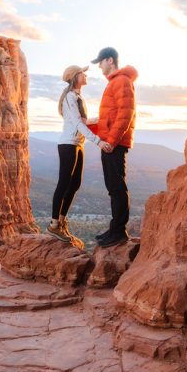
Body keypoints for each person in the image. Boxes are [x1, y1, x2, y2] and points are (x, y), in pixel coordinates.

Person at [47, 64, 112, 243]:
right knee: (64, 183)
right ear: (76, 77)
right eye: (83, 73)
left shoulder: (77, 97)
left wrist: (99, 120)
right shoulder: (70, 97)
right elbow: (77, 124)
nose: (86, 75)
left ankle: (61, 220)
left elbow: (81, 121)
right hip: (68, 144)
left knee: (74, 184)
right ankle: (53, 225)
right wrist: (98, 141)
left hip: (77, 144)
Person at [90, 46, 138, 247]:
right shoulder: (116, 82)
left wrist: (111, 141)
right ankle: (115, 228)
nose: (99, 67)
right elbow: (110, 116)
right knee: (113, 186)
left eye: (100, 62)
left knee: (117, 187)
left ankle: (118, 232)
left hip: (114, 143)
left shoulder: (121, 81)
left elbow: (125, 114)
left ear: (110, 60)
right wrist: (87, 123)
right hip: (111, 141)